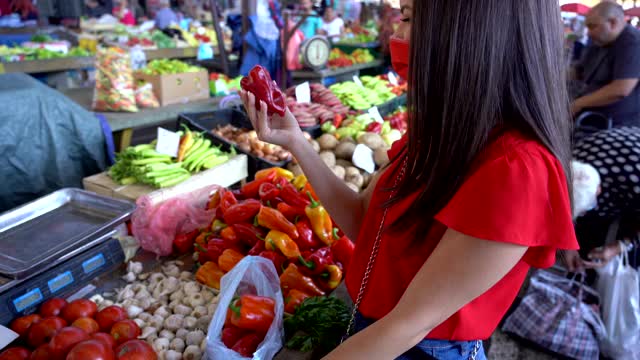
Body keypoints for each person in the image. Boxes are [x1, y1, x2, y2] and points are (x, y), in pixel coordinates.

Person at [240, 0, 577, 358]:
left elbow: (408, 325)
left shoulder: (517, 170)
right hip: (374, 333)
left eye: (408, 17)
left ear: (473, 32)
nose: (396, 34)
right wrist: (297, 143)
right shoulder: (441, 134)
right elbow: (363, 222)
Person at [566, 126, 640, 271]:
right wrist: (567, 244)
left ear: (599, 190)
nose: (581, 214)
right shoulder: (574, 159)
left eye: (583, 211)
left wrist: (619, 247)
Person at [572, 2, 640, 127]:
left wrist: (578, 103)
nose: (588, 33)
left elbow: (621, 89)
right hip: (588, 120)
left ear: (613, 23)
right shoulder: (599, 40)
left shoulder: (632, 41)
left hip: (616, 127)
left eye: (592, 26)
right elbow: (579, 71)